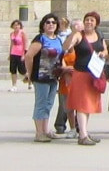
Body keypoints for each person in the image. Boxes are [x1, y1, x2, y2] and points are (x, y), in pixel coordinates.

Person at [62, 11, 106, 145]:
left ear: (96, 23)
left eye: (92, 20)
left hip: (94, 74)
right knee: (82, 105)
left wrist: (103, 53)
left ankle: (84, 131)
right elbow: (66, 47)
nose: (89, 22)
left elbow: (105, 49)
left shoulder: (99, 35)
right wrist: (72, 33)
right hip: (81, 74)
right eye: (87, 20)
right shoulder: (78, 35)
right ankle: (82, 135)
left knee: (88, 105)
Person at [24, 13, 64, 141]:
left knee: (49, 104)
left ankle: (46, 130)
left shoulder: (58, 39)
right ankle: (39, 132)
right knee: (41, 104)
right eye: (48, 22)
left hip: (54, 76)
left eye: (53, 22)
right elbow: (29, 56)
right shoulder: (40, 38)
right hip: (41, 76)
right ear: (43, 25)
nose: (51, 24)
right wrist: (30, 73)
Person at [8, 19, 28, 91]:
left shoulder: (22, 33)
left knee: (22, 70)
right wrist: (10, 54)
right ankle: (14, 85)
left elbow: (25, 43)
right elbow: (12, 44)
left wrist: (23, 54)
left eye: (18, 25)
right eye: (15, 25)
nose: (16, 26)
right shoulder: (12, 34)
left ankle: (29, 80)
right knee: (13, 70)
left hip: (20, 53)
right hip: (14, 53)